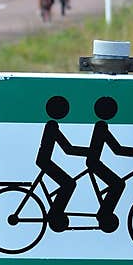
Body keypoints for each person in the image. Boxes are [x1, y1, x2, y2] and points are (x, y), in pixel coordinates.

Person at [86, 96, 133, 233]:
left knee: (117, 184)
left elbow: (116, 149)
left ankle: (104, 213)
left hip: (94, 161)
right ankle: (104, 214)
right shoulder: (101, 126)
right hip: (94, 163)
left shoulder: (101, 125)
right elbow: (116, 149)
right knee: (118, 184)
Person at [35, 96, 90, 232]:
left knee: (68, 184)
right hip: (44, 162)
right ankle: (55, 214)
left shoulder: (51, 124)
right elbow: (67, 149)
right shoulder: (52, 126)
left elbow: (67, 149)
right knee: (69, 184)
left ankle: (55, 212)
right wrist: (90, 151)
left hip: (44, 160)